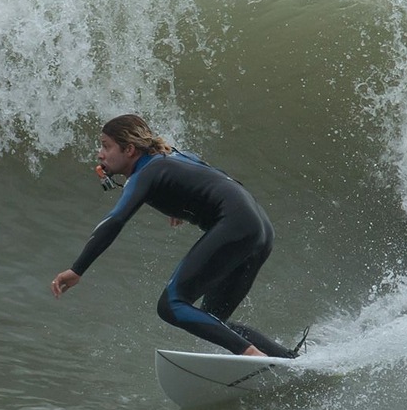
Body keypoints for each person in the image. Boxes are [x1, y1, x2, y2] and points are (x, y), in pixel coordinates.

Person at [50, 114, 298, 358]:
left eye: (106, 146)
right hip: (260, 228)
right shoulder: (170, 157)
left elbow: (114, 220)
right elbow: (205, 172)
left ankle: (251, 355)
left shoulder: (144, 174)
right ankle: (288, 360)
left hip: (237, 224)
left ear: (129, 150)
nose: (100, 154)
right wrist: (181, 200)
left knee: (171, 305)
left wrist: (77, 269)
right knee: (213, 321)